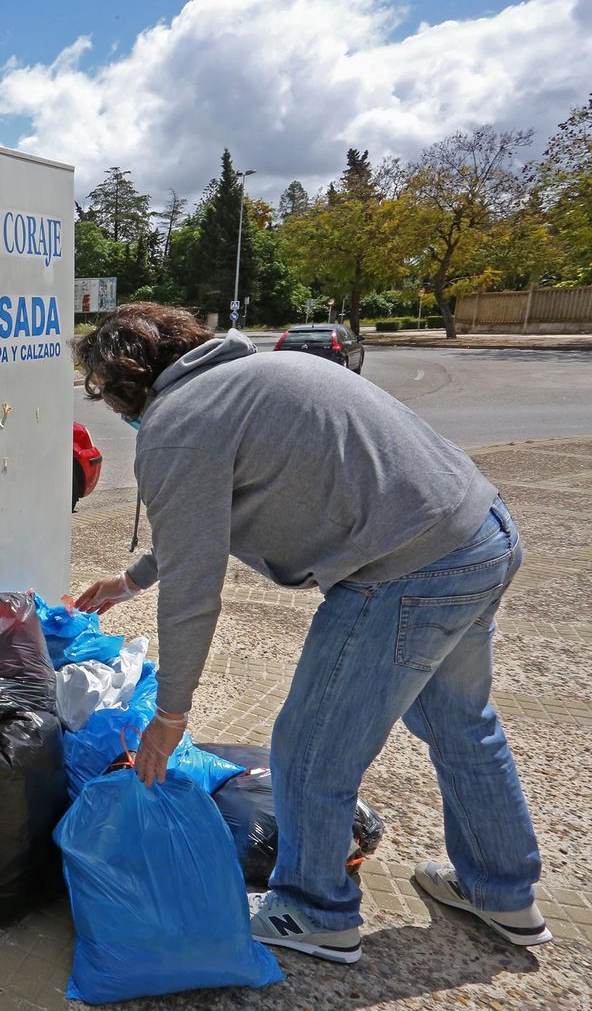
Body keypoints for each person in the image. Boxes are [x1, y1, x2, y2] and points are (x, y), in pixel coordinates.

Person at [72, 302, 547, 965]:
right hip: (480, 535)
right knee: (462, 725)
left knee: (311, 749)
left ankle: (316, 909)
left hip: (405, 569)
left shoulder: (177, 425)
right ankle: (502, 892)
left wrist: (171, 713)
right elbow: (202, 527)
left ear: (124, 386)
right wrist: (130, 581)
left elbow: (194, 588)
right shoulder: (258, 374)